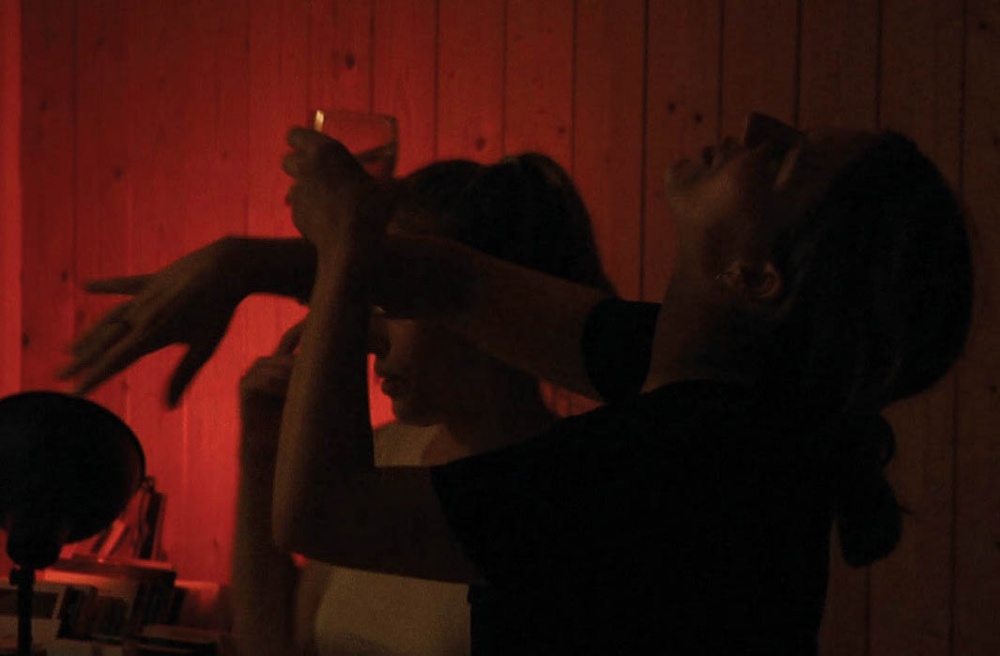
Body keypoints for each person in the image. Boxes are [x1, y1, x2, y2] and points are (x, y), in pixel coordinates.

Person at [272, 111, 974, 655]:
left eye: (785, 158)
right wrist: (241, 269)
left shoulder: (676, 467)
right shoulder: (727, 389)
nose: (761, 127)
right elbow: (458, 284)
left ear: (756, 277)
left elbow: (323, 510)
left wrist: (345, 247)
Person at [64, 155, 613, 655]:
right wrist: (260, 454)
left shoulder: (568, 490)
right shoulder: (381, 455)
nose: (369, 334)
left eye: (391, 300)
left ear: (480, 316)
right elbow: (276, 647)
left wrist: (251, 263)